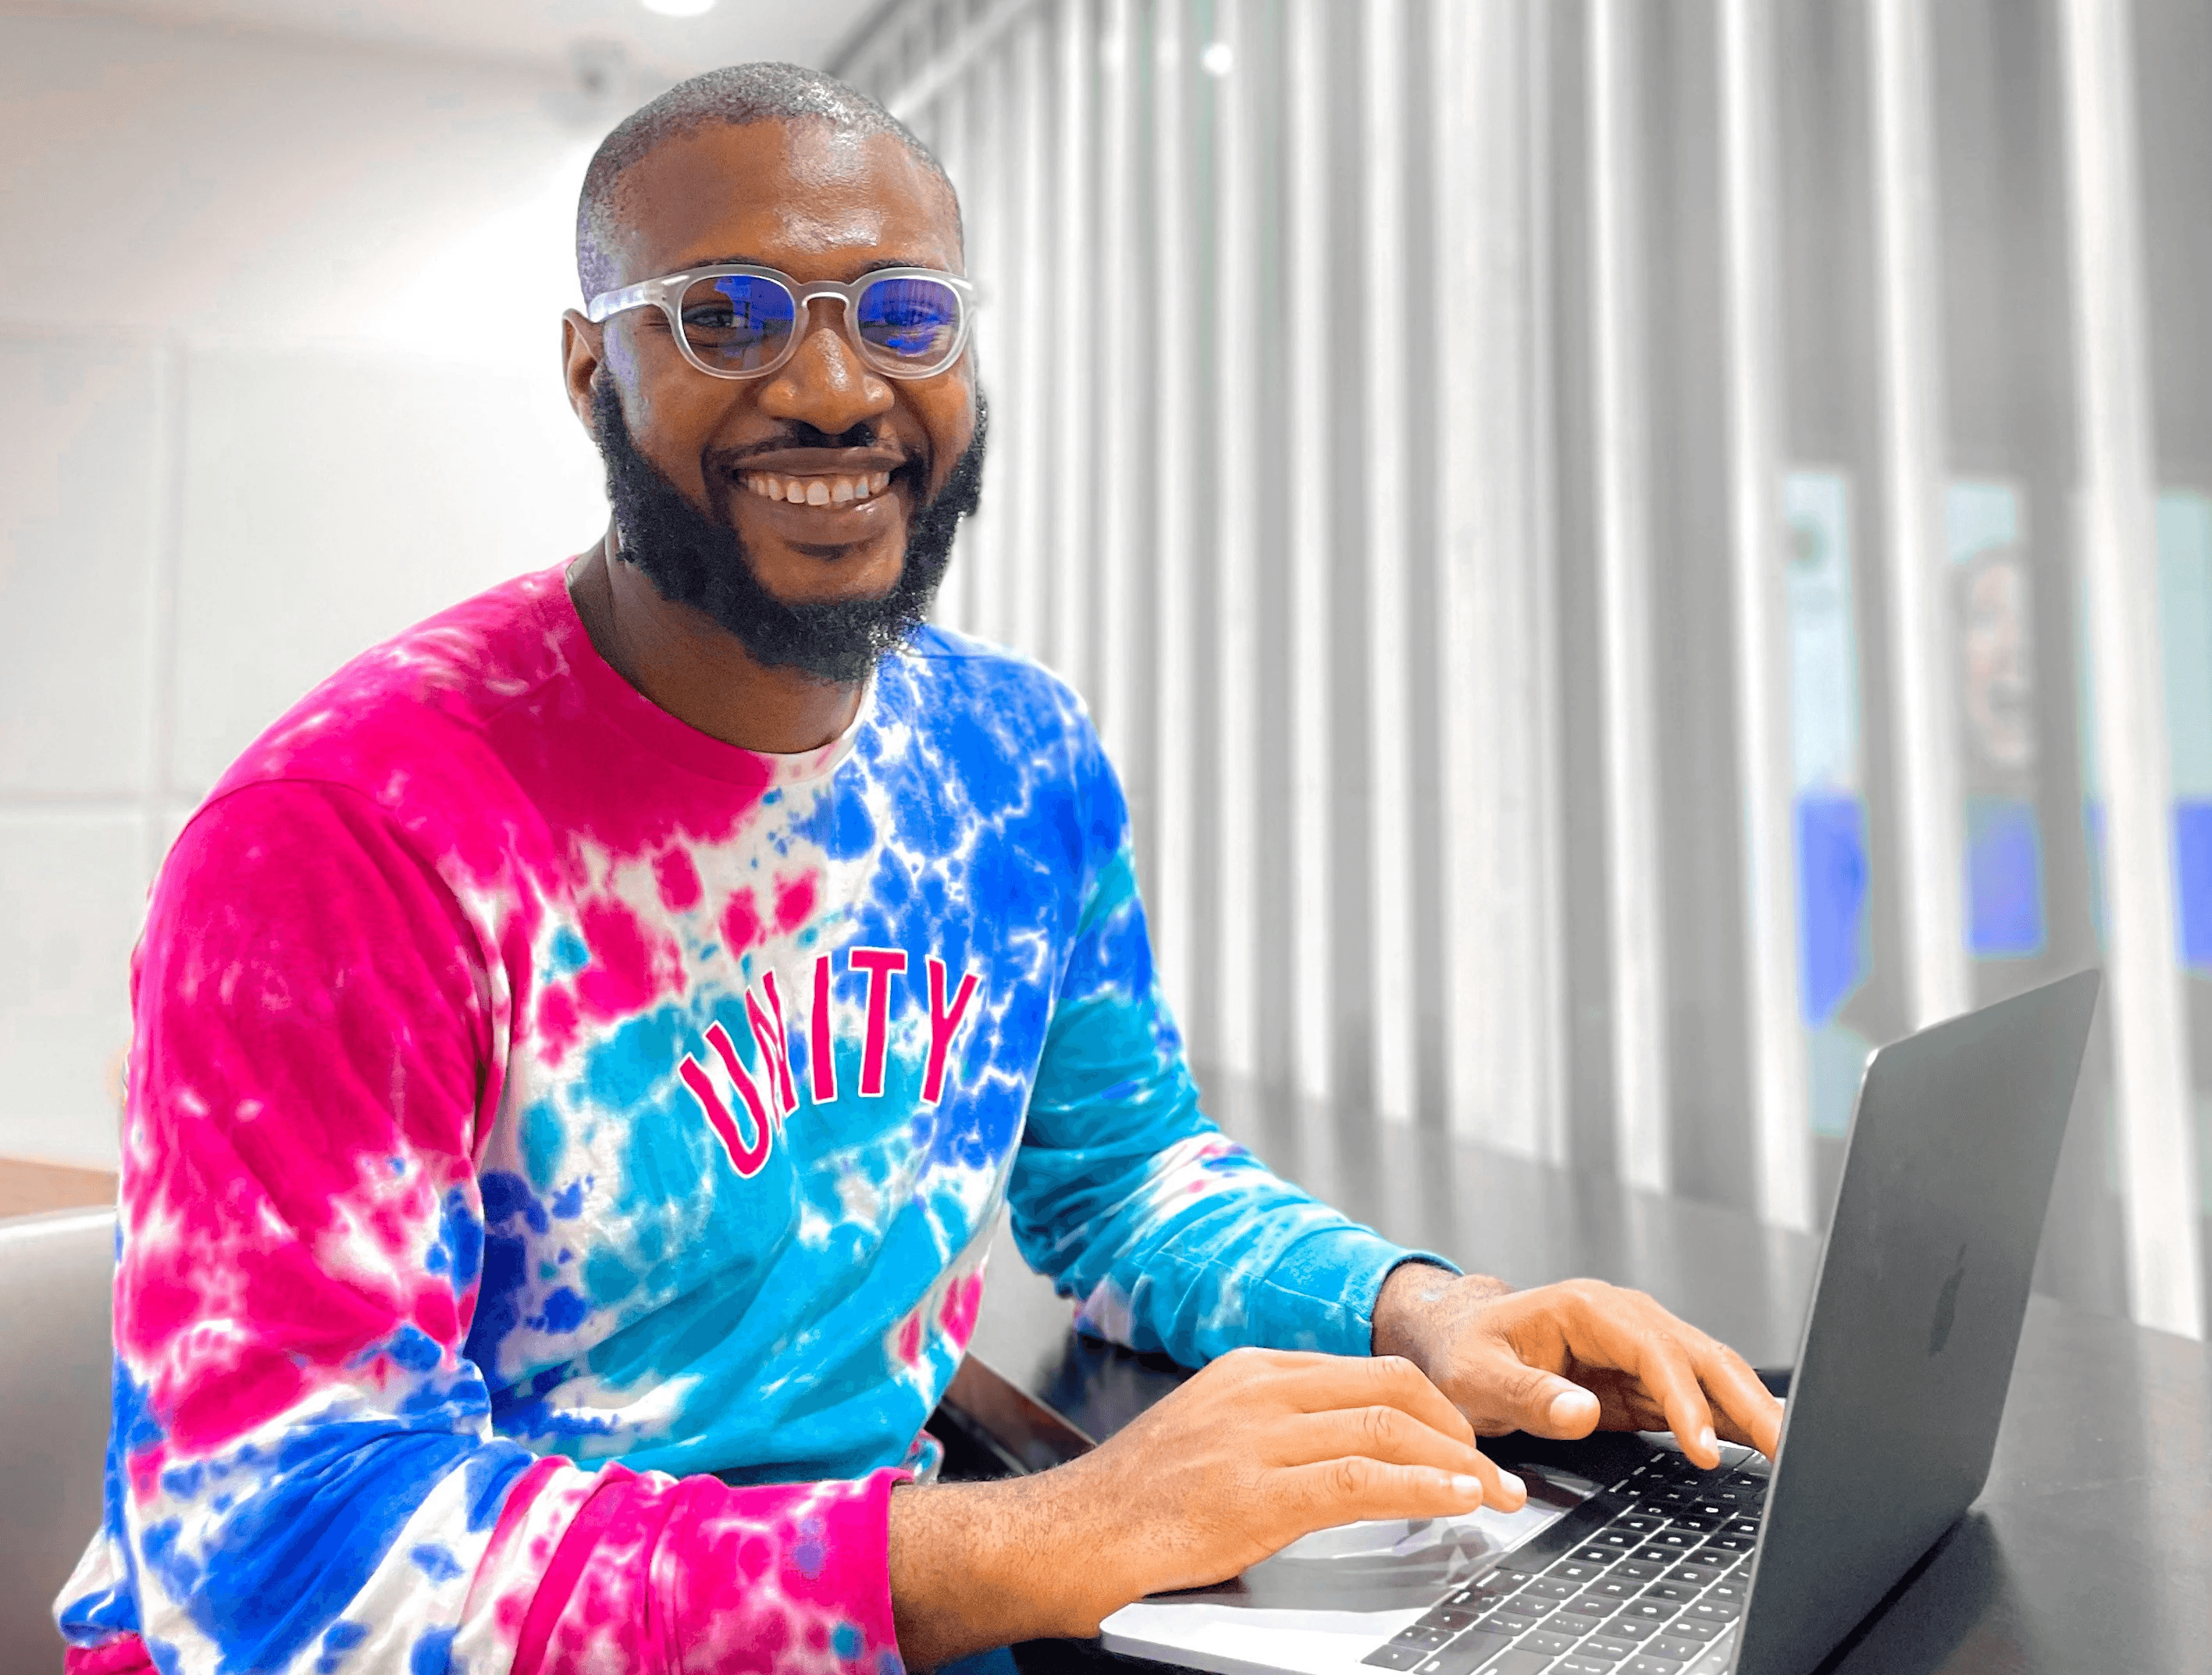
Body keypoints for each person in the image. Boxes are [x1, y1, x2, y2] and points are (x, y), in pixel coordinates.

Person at [55, 62, 1782, 1675]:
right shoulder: (349, 840)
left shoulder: (1011, 760)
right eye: (724, 315)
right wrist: (1029, 1541)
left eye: (901, 314)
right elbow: (272, 1546)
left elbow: (1118, 1181)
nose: (827, 388)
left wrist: (1420, 1310)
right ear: (595, 372)